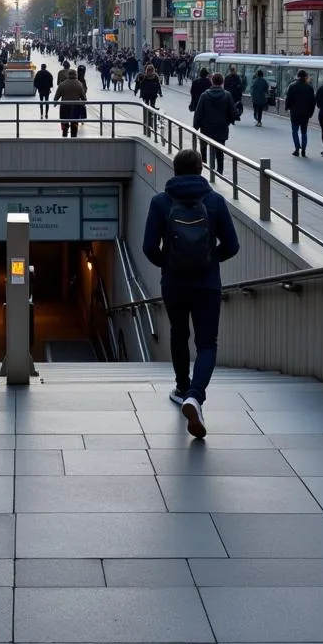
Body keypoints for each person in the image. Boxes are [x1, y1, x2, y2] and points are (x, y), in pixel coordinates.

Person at [142, 148, 239, 439]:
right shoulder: (215, 201)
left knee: (179, 334)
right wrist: (209, 259)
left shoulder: (160, 202)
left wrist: (169, 264)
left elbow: (148, 248)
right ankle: (195, 396)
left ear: (174, 170)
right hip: (207, 284)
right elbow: (232, 246)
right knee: (207, 343)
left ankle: (182, 387)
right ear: (200, 169)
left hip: (174, 283)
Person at [191, 72, 237, 174]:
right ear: (222, 82)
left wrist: (196, 126)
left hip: (206, 128)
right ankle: (219, 172)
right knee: (219, 152)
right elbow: (233, 113)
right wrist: (230, 120)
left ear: (212, 81)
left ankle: (205, 169)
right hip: (221, 128)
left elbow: (198, 113)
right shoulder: (227, 95)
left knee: (203, 149)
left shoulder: (204, 95)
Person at [284, 69, 316, 158]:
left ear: (297, 76)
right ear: (305, 77)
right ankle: (304, 150)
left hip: (294, 113)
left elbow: (288, 99)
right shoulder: (309, 88)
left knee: (294, 131)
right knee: (304, 132)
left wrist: (287, 108)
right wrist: (311, 113)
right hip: (305, 114)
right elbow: (313, 102)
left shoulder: (292, 86)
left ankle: (297, 149)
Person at [54, 68, 87, 137]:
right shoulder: (79, 84)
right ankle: (73, 137)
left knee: (65, 122)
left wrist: (55, 102)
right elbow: (84, 97)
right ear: (76, 75)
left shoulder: (62, 84)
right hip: (76, 107)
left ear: (68, 75)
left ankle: (65, 134)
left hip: (64, 106)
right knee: (74, 122)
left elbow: (57, 96)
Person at [136, 64, 163, 136]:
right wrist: (139, 92)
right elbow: (140, 85)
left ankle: (150, 118)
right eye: (149, 70)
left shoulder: (155, 77)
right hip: (146, 95)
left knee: (152, 106)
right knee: (147, 106)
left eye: (151, 70)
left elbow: (158, 85)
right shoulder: (144, 77)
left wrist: (160, 93)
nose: (150, 72)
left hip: (153, 95)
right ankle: (148, 118)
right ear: (147, 70)